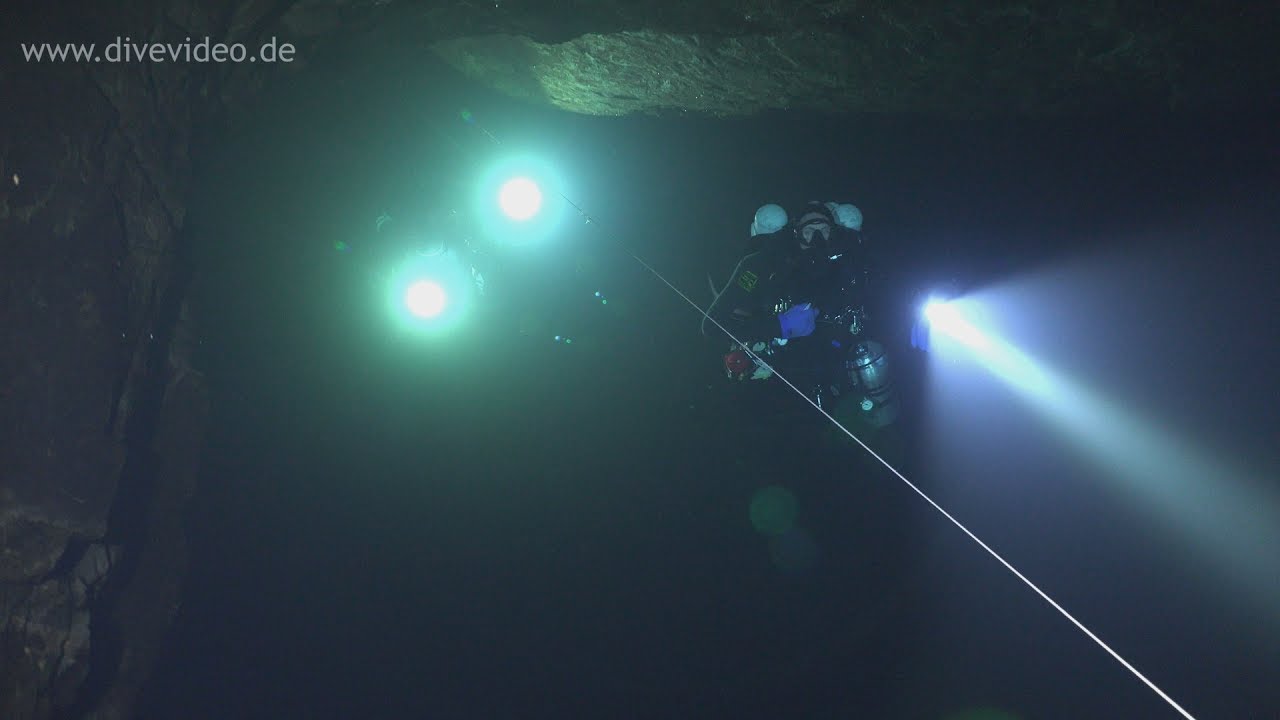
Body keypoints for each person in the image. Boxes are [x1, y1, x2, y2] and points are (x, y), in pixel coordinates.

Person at [705, 200, 898, 427]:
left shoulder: (851, 266)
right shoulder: (762, 265)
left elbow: (887, 296)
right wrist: (778, 326)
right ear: (795, 235)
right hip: (777, 381)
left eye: (824, 231)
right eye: (808, 232)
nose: (816, 240)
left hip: (838, 382)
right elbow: (712, 325)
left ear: (834, 234)